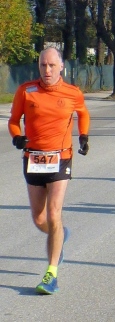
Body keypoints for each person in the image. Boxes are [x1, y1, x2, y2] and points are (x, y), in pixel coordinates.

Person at [8, 47, 90, 294]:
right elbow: (13, 120)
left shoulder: (72, 92)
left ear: (61, 66)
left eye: (52, 65)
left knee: (54, 213)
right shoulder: (26, 91)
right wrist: (17, 137)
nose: (47, 70)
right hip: (33, 158)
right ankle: (60, 235)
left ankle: (51, 274)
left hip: (60, 158)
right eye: (43, 65)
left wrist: (83, 136)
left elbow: (83, 114)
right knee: (39, 219)